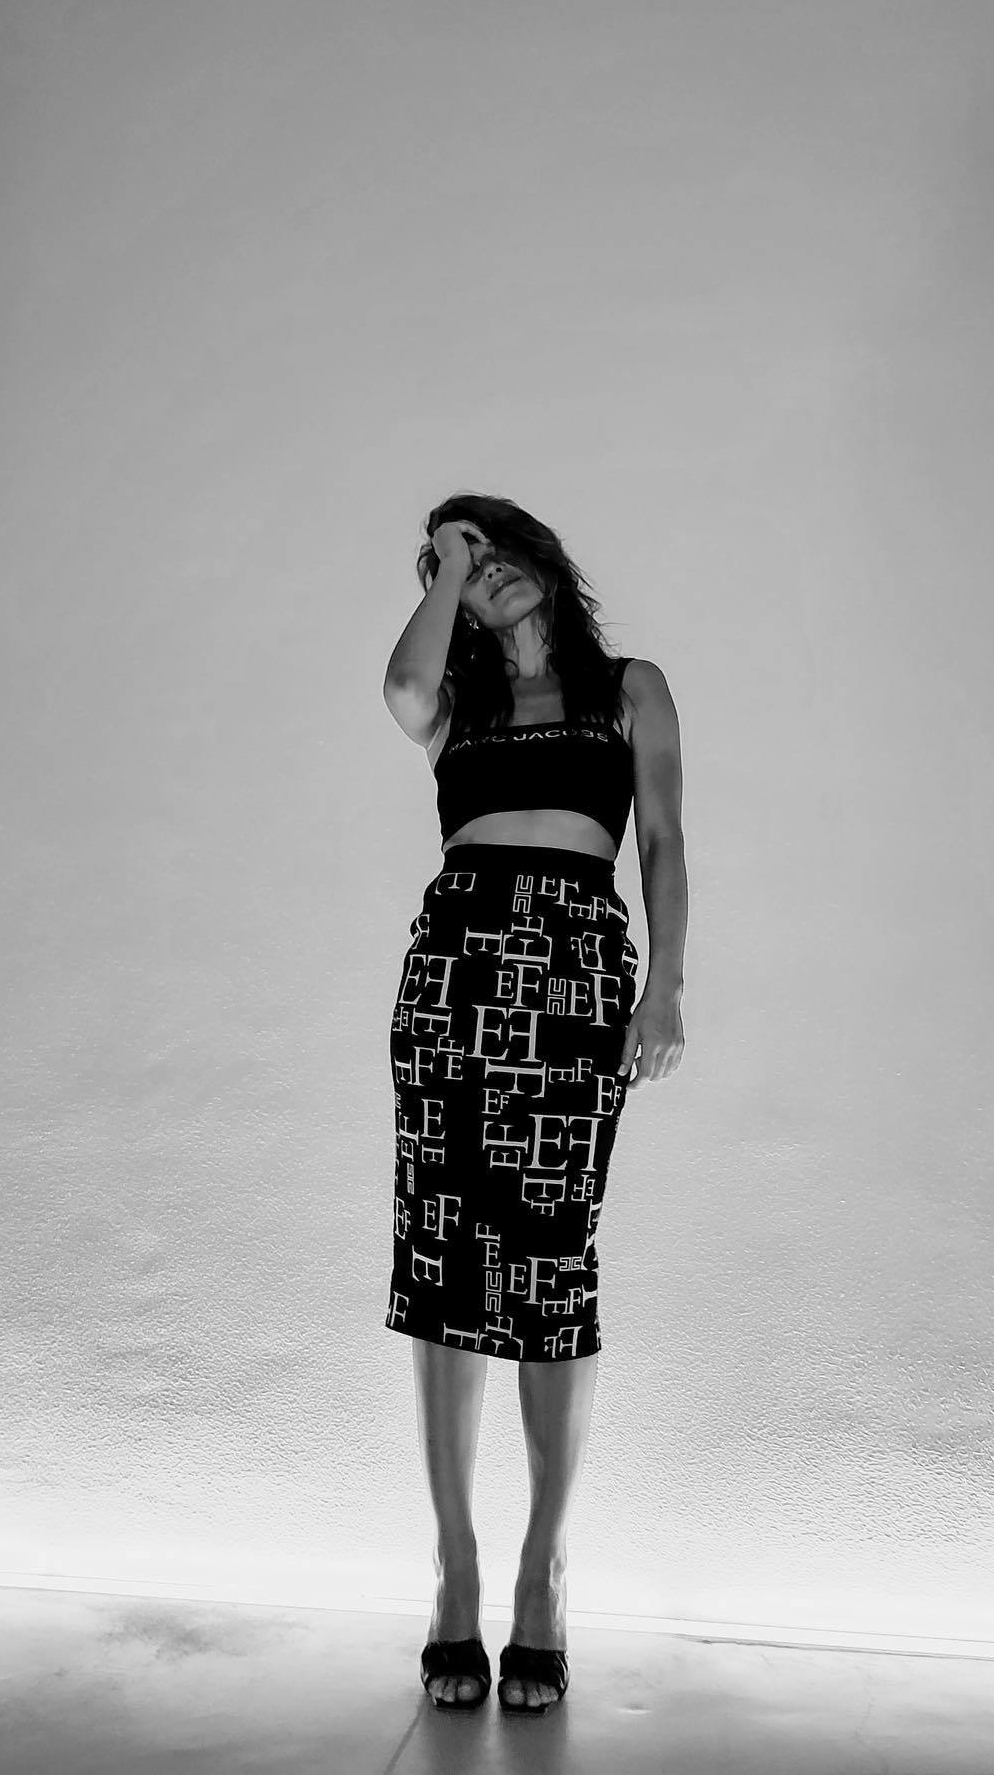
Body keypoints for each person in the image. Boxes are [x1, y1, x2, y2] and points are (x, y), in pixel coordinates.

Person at [382, 493, 688, 1715]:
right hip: (455, 967)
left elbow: (660, 842)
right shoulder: (454, 705)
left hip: (571, 964)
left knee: (552, 1260)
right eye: (461, 561)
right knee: (445, 1257)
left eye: (498, 547)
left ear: (546, 559)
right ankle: (455, 1567)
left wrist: (663, 988)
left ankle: (542, 1570)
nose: (486, 571)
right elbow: (402, 685)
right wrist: (447, 566)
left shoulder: (629, 689)